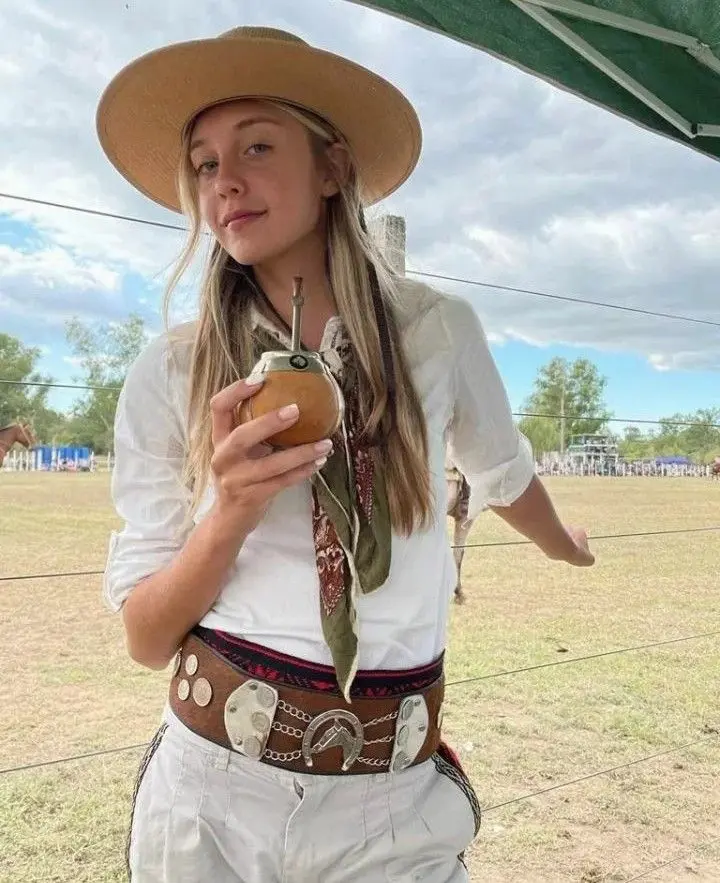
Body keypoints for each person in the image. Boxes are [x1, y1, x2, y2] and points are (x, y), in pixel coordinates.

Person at [99, 25, 594, 883]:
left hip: (391, 806)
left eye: (256, 144)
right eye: (207, 163)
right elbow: (146, 637)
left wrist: (562, 540)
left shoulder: (435, 333)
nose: (227, 182)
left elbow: (503, 471)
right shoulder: (170, 372)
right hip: (211, 802)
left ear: (333, 168)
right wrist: (233, 511)